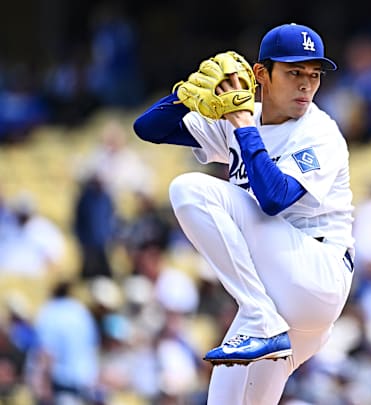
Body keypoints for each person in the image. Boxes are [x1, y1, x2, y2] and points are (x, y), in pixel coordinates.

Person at [133, 23, 354, 404]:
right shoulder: (243, 115)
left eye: (314, 75)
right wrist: (187, 95)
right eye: (294, 72)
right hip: (284, 306)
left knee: (189, 188)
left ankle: (256, 315)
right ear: (260, 75)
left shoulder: (320, 131)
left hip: (316, 273)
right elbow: (148, 128)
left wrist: (240, 126)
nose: (306, 84)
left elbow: (273, 198)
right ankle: (259, 317)